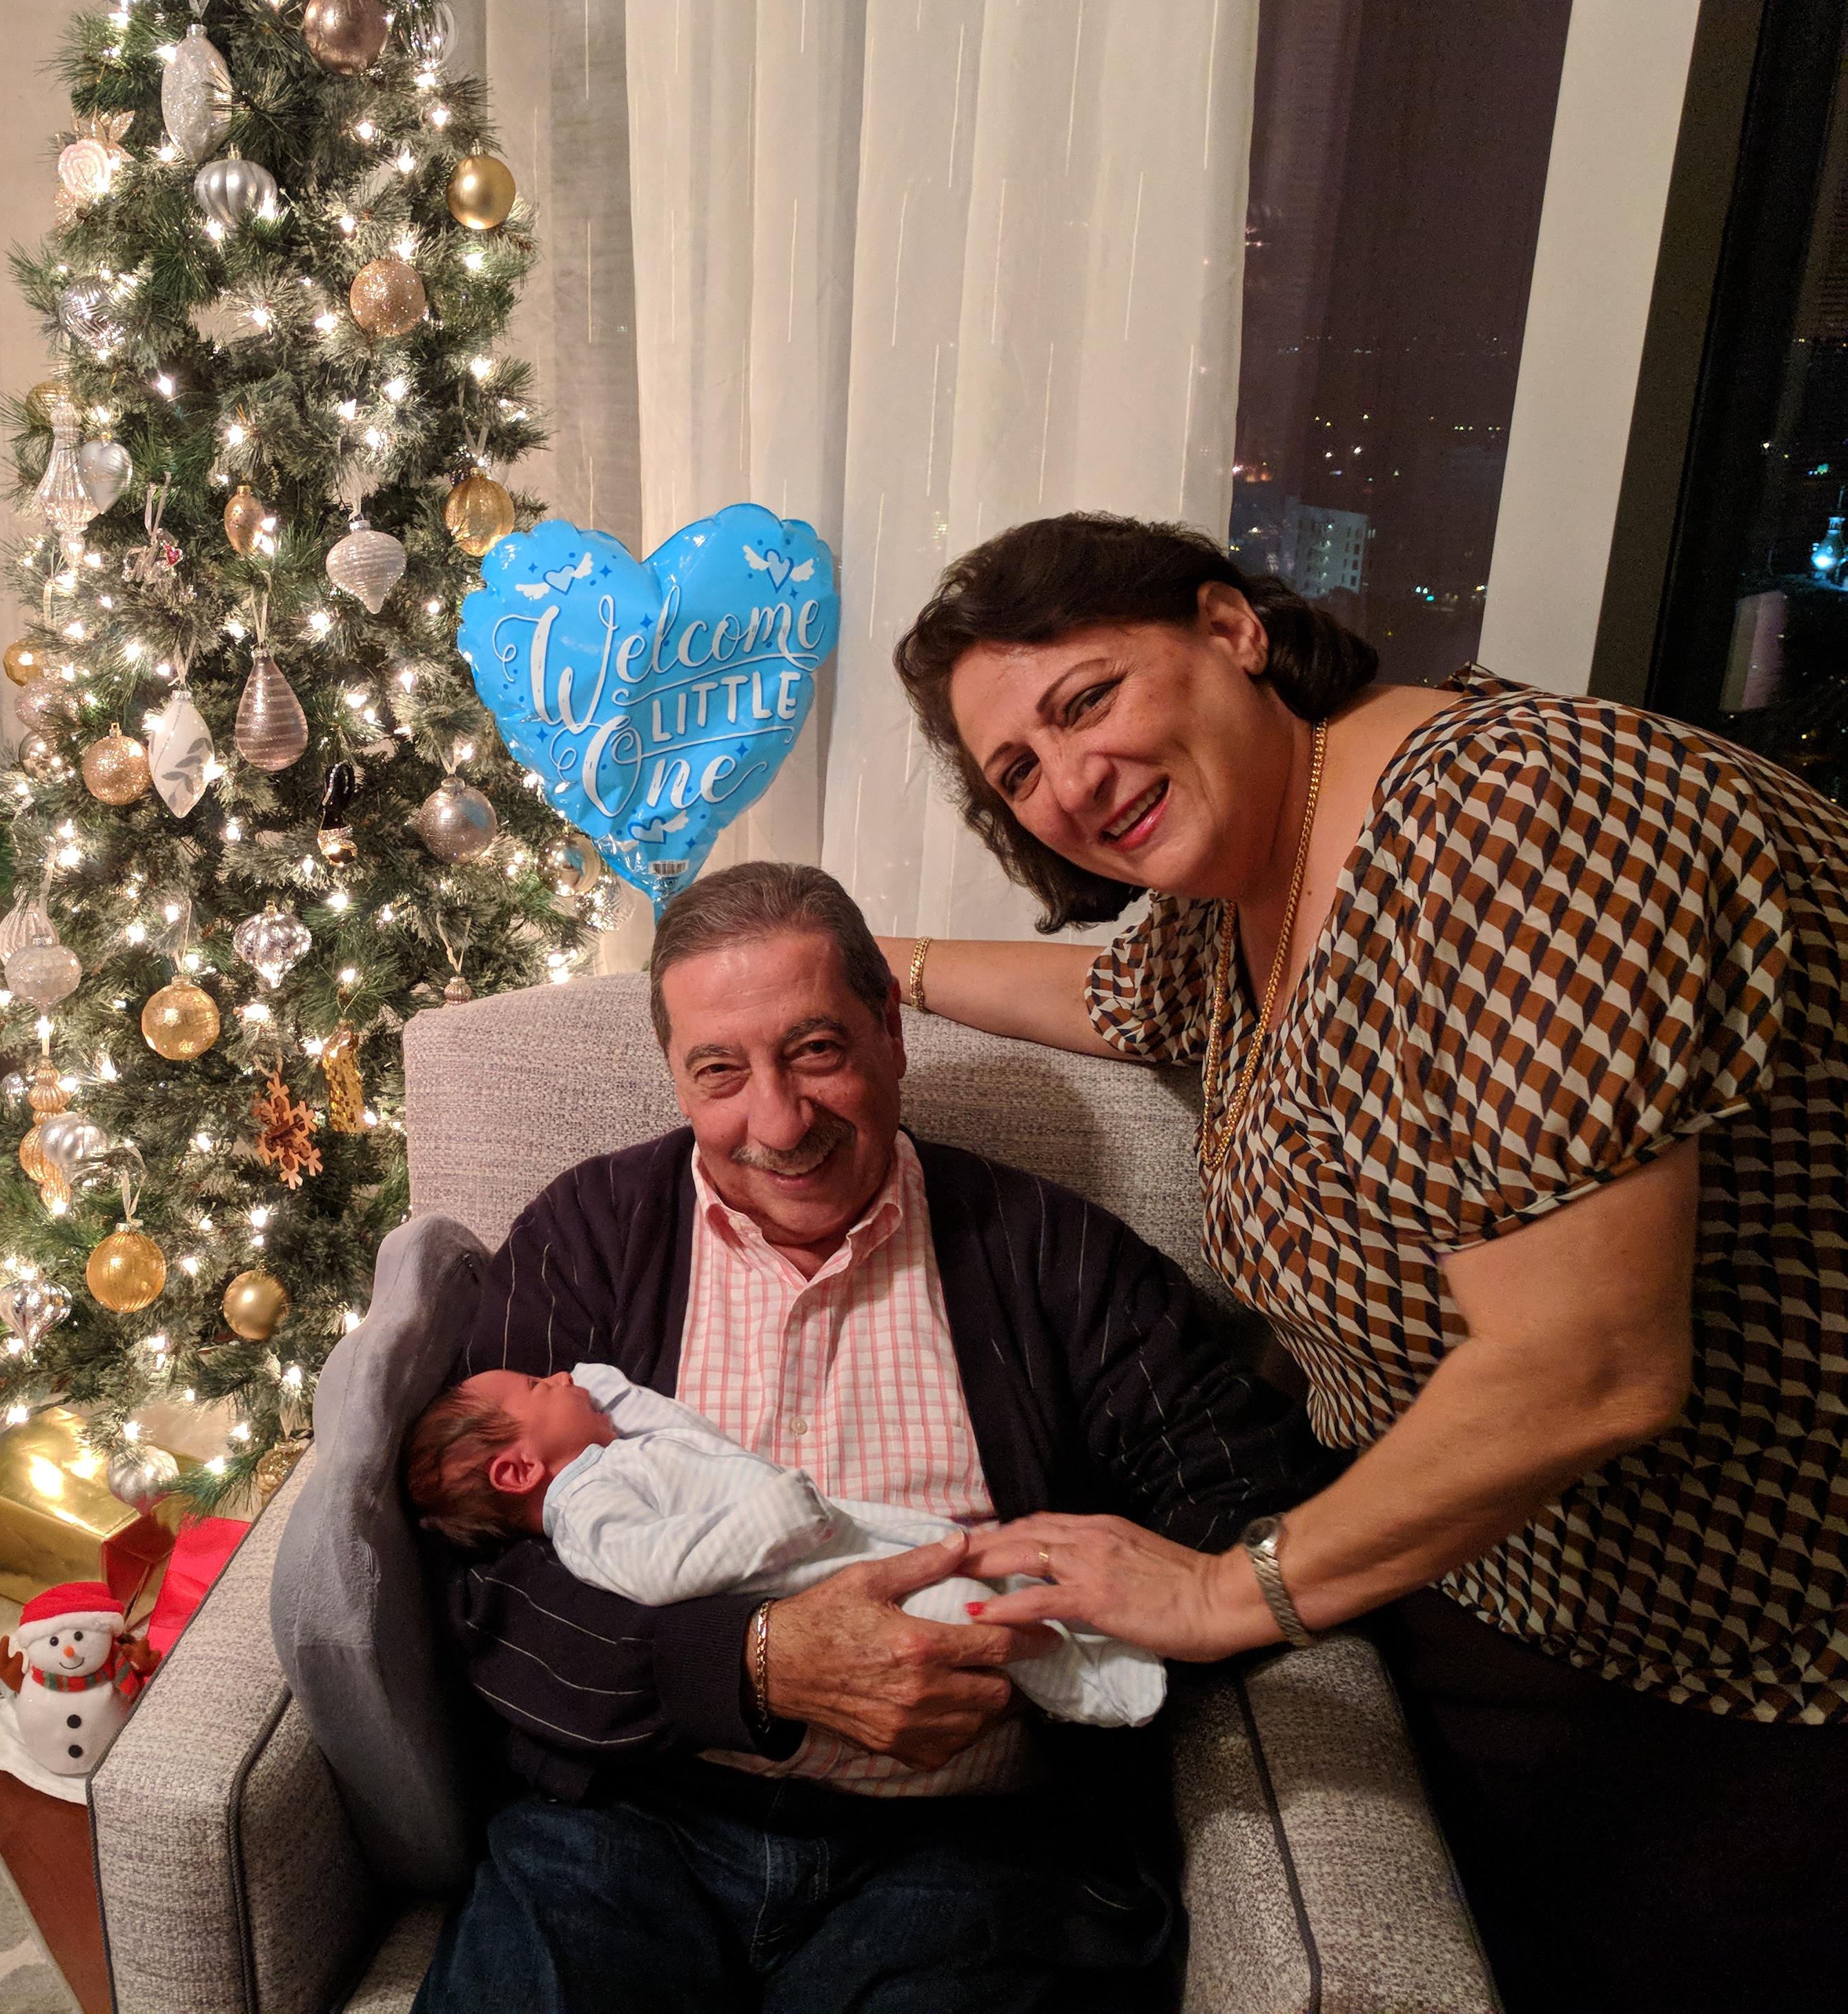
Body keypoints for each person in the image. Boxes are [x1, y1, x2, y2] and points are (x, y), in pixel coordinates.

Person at [881, 510, 1848, 2013]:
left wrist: (1224, 1593)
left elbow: (1583, 1369)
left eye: (1084, 700)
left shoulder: (1515, 820)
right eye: (1016, 769)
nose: (1067, 781)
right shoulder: (1245, 886)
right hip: (1505, 1598)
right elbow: (1116, 998)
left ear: (1229, 628)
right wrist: (868, 971)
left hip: (1760, 1654)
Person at [413, 860, 1333, 2014]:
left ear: (888, 1030)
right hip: (630, 1821)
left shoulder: (1051, 1254)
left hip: (969, 1845)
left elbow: (1244, 1492)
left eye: (814, 1050)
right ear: (675, 1078)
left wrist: (1163, 1570)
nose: (779, 1122)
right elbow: (481, 1579)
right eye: (719, 1072)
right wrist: (752, 1663)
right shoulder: (585, 1238)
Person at [404, 1362, 1166, 1726]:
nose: (562, 1373)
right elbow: (661, 1571)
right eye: (541, 1387)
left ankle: (1096, 1634)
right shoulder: (587, 1520)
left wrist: (601, 1389)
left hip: (827, 1535)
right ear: (516, 1469)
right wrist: (772, 1519)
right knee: (966, 1616)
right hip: (800, 1569)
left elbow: (682, 1428)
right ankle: (1097, 1692)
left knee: (966, 1556)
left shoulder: (614, 1455)